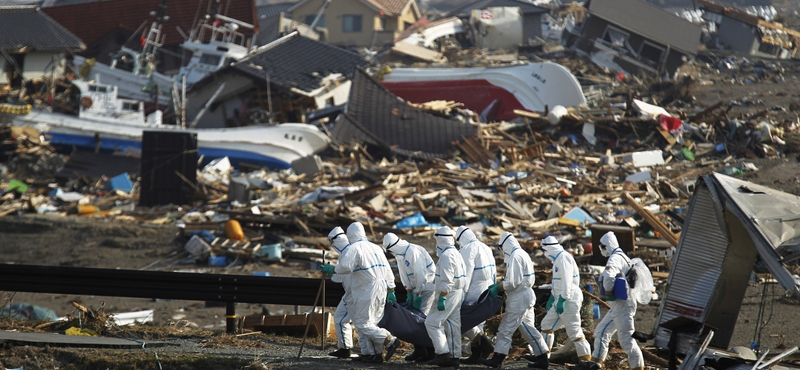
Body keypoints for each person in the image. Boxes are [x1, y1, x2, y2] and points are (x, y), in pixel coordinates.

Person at [332, 222, 402, 363]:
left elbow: (345, 267)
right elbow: (388, 269)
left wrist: (333, 269)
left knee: (362, 323)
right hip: (381, 287)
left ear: (350, 235)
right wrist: (391, 288)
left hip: (366, 289)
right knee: (372, 323)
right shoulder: (376, 247)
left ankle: (389, 340)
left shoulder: (354, 248)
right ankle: (374, 355)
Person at [481, 232, 549, 369]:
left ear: (505, 244)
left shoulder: (515, 256)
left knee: (506, 328)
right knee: (529, 329)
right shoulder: (522, 253)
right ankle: (543, 357)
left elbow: (513, 282)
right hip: (526, 296)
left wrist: (499, 287)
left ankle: (497, 358)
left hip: (519, 299)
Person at [591, 231, 644, 370]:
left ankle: (638, 367)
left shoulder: (615, 258)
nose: (602, 250)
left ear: (607, 246)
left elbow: (609, 276)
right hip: (620, 305)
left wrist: (608, 293)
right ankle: (596, 361)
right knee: (601, 331)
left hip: (622, 305)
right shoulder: (623, 257)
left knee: (626, 339)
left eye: (603, 247)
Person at [383, 232, 436, 362]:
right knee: (414, 320)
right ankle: (420, 350)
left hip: (427, 289)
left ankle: (431, 352)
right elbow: (405, 275)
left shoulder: (413, 251)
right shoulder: (401, 255)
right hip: (416, 290)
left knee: (422, 320)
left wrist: (418, 295)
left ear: (392, 246)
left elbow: (421, 276)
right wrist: (409, 292)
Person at [538, 236, 592, 363]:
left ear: (550, 248)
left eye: (545, 250)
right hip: (560, 299)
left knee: (574, 330)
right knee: (546, 325)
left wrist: (562, 299)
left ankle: (586, 361)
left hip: (569, 299)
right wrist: (553, 297)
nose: (545, 253)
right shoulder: (557, 260)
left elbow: (567, 282)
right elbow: (558, 282)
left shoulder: (563, 258)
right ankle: (543, 357)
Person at [424, 226, 467, 368]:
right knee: (453, 325)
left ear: (441, 239)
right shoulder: (456, 252)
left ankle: (442, 354)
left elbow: (447, 280)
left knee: (432, 322)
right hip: (457, 292)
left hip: (449, 293)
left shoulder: (447, 256)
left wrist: (443, 296)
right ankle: (454, 357)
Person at [455, 225, 496, 364]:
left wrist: (461, 294)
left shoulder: (468, 249)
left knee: (464, 319)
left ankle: (484, 345)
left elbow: (465, 274)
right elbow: (495, 271)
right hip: (488, 288)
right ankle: (478, 354)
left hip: (474, 289)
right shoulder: (486, 247)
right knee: (479, 321)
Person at [319, 227, 356, 359]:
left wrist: (333, 271)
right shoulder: (345, 253)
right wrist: (331, 273)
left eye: (332, 243)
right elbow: (341, 277)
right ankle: (345, 347)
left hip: (353, 292)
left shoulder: (348, 252)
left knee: (342, 319)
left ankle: (346, 349)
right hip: (353, 291)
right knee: (347, 320)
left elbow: (346, 274)